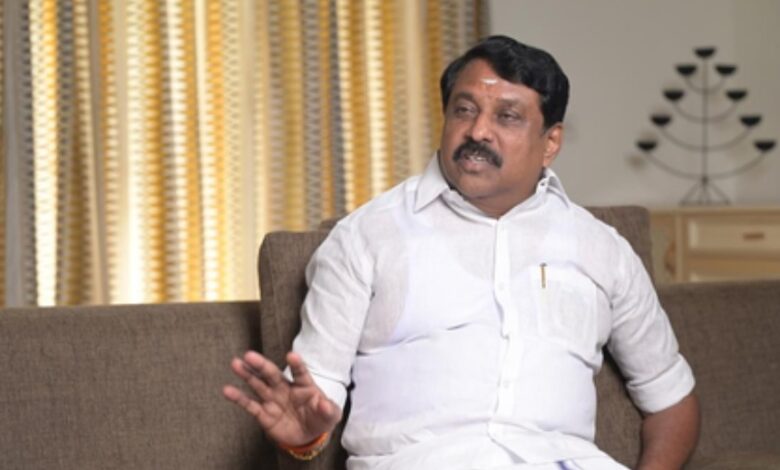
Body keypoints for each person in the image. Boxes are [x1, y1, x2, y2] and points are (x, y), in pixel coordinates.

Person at [223, 35, 700, 469]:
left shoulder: (602, 248)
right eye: (464, 110)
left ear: (550, 142)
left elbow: (672, 400)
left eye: (507, 116)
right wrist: (306, 434)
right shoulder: (366, 237)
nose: (478, 132)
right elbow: (316, 388)